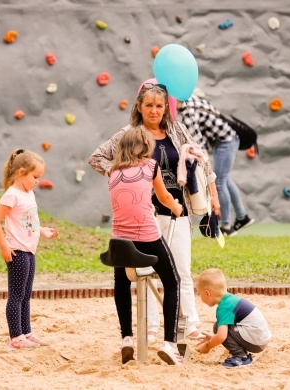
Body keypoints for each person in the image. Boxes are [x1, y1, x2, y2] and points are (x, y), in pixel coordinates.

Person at [88, 80, 220, 343]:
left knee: (181, 269)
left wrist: (214, 196)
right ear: (139, 106)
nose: (154, 110)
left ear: (166, 108)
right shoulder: (129, 134)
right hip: (143, 215)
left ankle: (190, 323)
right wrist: (121, 173)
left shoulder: (176, 130)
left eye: (159, 106)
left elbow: (201, 159)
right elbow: (97, 158)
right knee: (146, 272)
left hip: (178, 210)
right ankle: (150, 326)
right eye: (149, 105)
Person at [107, 126, 183, 365]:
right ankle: (169, 343)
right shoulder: (151, 167)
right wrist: (176, 208)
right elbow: (163, 197)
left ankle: (127, 338)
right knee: (173, 282)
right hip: (147, 238)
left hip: (119, 242)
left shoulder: (113, 173)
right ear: (145, 147)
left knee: (122, 282)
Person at [0, 148, 59, 349]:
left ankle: (26, 332)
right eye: (35, 176)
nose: (37, 181)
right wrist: (4, 247)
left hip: (29, 250)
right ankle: (16, 337)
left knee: (26, 294)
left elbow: (29, 222)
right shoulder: (12, 195)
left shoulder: (29, 194)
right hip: (16, 251)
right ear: (21, 172)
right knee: (16, 295)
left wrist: (42, 231)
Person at [178, 96, 255, 236]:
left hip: (225, 142)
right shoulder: (193, 100)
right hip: (228, 139)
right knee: (226, 180)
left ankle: (226, 226)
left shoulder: (187, 113)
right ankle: (242, 217)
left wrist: (203, 161)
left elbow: (197, 143)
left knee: (219, 183)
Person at [195, 268, 271, 368]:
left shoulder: (224, 307)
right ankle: (242, 355)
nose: (200, 298)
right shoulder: (229, 300)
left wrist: (207, 346)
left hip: (256, 341)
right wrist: (213, 338)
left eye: (199, 294)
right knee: (217, 326)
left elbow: (222, 336)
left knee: (219, 327)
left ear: (207, 293)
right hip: (260, 338)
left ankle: (241, 357)